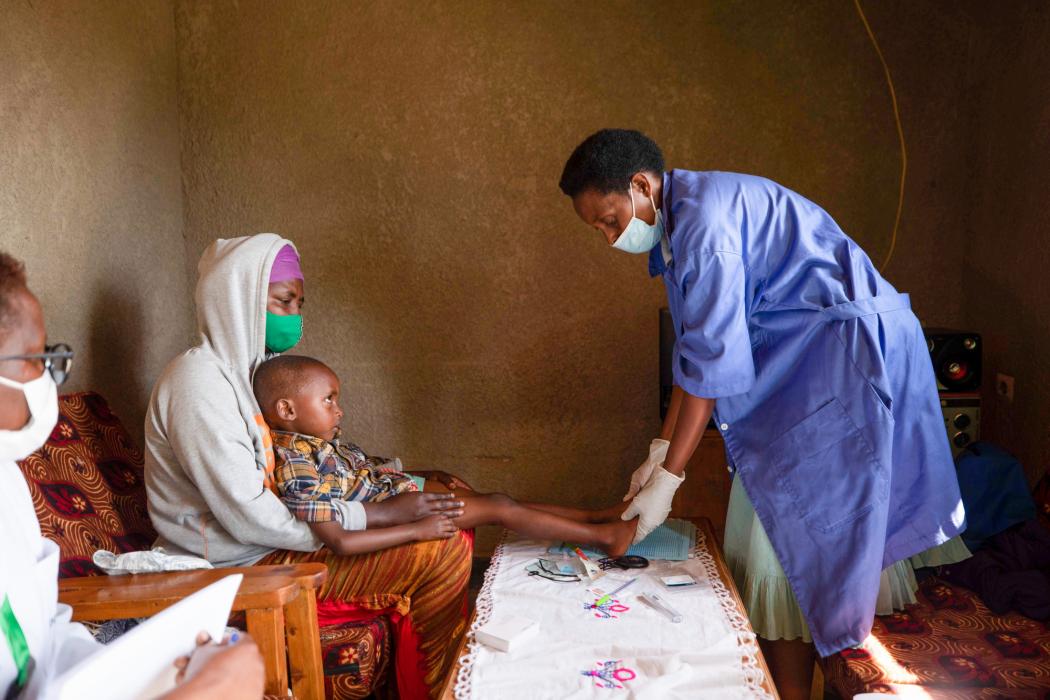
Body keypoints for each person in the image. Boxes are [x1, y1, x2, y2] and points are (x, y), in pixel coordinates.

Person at [558, 130, 970, 699]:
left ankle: (803, 688)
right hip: (816, 356)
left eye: (608, 220)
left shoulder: (705, 230)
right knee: (785, 531)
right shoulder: (681, 225)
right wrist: (658, 453)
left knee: (794, 535)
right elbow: (694, 355)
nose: (609, 238)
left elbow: (712, 370)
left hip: (843, 360)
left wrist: (671, 479)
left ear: (640, 186)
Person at [143, 234, 472, 699]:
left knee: (446, 510)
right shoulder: (198, 382)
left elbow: (305, 471)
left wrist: (396, 485)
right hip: (234, 565)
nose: (295, 316)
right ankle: (440, 689)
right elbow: (247, 513)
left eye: (299, 302)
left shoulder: (249, 375)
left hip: (270, 543)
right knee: (442, 547)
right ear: (238, 300)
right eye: (283, 302)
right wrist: (356, 523)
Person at [0, 251, 264, 700]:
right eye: (34, 359)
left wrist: (155, 670)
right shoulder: (194, 380)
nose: (49, 380)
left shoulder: (7, 485)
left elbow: (40, 640)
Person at [253, 354, 638, 557]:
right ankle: (603, 537)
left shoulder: (317, 442)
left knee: (498, 500)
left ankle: (593, 517)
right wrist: (416, 531)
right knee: (499, 508)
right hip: (400, 513)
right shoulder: (298, 466)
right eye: (329, 400)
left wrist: (427, 471)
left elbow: (365, 474)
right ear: (287, 410)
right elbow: (340, 540)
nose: (339, 410)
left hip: (401, 491)